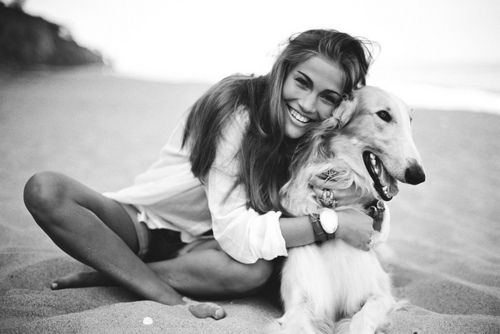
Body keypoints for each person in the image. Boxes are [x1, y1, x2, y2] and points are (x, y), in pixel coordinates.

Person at [23, 29, 378, 319]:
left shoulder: (316, 136)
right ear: (283, 68)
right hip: (143, 226)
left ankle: (113, 271)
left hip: (209, 254)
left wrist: (362, 205)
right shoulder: (235, 108)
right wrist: (330, 222)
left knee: (253, 271)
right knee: (45, 190)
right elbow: (236, 232)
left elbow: (366, 218)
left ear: (340, 104)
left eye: (328, 97)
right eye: (302, 82)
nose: (308, 105)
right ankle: (161, 292)